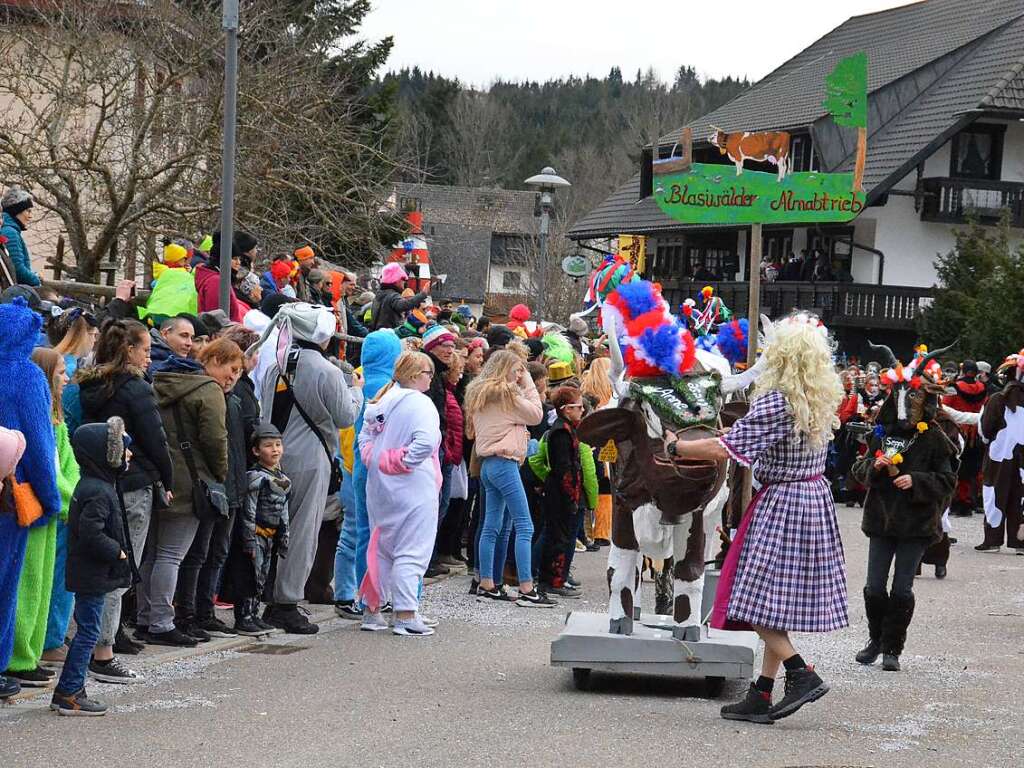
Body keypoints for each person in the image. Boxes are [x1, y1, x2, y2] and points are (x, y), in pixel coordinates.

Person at [669, 315, 846, 724]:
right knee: (775, 602)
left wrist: (678, 445)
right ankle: (762, 693)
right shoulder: (818, 397)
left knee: (748, 599)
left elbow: (725, 448)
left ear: (781, 357)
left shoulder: (777, 401)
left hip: (783, 503)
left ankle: (801, 672)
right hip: (813, 498)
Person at [260, 303, 363, 633]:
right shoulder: (327, 370)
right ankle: (286, 601)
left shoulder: (277, 362)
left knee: (269, 528)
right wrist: (354, 390)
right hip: (310, 456)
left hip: (273, 453)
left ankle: (264, 592)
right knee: (302, 531)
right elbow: (346, 416)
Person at [851, 354, 957, 672]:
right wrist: (875, 466)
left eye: (913, 397)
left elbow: (948, 481)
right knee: (873, 586)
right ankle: (875, 640)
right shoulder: (880, 433)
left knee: (901, 588)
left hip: (916, 524)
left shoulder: (935, 438)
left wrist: (917, 480)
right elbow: (859, 470)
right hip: (881, 520)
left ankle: (892, 649)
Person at [77, 318, 170, 673]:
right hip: (134, 481)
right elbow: (155, 437)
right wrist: (166, 475)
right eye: (146, 350)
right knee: (120, 566)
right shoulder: (136, 389)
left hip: (98, 477)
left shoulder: (91, 385)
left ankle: (96, 639)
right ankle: (104, 651)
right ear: (129, 350)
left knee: (98, 564)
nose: (150, 357)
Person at [139, 340, 229, 647]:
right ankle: (162, 623)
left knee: (152, 553)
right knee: (171, 555)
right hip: (191, 482)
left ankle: (145, 618)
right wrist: (219, 475)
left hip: (158, 478)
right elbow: (216, 440)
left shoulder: (155, 383)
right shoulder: (207, 390)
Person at [50, 418, 134, 716]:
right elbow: (91, 532)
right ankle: (70, 693)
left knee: (88, 630)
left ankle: (68, 689)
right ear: (105, 454)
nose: (128, 455)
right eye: (123, 449)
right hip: (91, 574)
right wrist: (118, 552)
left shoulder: (96, 485)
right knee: (88, 633)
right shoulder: (98, 490)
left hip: (89, 573)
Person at [358, 351, 443, 636]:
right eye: (428, 373)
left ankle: (372, 611)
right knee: (412, 548)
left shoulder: (382, 400)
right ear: (416, 375)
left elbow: (365, 437)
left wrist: (377, 459)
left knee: (381, 548)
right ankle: (406, 612)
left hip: (380, 485)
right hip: (413, 485)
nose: (431, 378)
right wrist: (402, 461)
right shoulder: (421, 404)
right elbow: (426, 442)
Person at [0, 298, 61, 696]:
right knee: (5, 581)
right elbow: (40, 443)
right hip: (10, 492)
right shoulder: (24, 375)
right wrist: (50, 498)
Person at [464, 350, 552, 606]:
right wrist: (528, 384)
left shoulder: (480, 394)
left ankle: (487, 583)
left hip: (488, 464)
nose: (519, 375)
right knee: (525, 526)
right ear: (505, 369)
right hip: (505, 463)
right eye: (516, 370)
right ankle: (526, 587)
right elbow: (537, 415)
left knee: (491, 527)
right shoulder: (507, 395)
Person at [6, 350, 71, 688]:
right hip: (35, 507)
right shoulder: (31, 407)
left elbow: (67, 463)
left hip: (55, 509)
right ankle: (17, 656)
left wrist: (71, 496)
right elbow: (42, 463)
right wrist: (61, 498)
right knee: (26, 586)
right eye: (60, 372)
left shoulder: (58, 417)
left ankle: (30, 653)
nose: (67, 377)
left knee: (44, 586)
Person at [173, 339, 246, 640]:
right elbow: (214, 443)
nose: (234, 377)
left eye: (239, 372)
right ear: (214, 360)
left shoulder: (232, 399)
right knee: (198, 553)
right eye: (231, 369)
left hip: (229, 485)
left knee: (216, 552)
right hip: (211, 485)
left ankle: (206, 611)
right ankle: (188, 614)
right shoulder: (205, 393)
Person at [229, 423, 290, 635]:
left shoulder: (283, 478)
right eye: (268, 445)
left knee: (263, 575)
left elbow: (284, 510)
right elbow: (249, 509)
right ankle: (244, 616)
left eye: (278, 445)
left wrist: (284, 536)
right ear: (256, 451)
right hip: (256, 533)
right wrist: (248, 538)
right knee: (250, 575)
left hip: (271, 535)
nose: (275, 450)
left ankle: (254, 613)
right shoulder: (255, 478)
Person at [537, 386, 587, 597]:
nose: (582, 410)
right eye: (579, 407)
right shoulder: (560, 432)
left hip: (565, 491)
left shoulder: (567, 429)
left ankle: (558, 578)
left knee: (562, 536)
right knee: (557, 538)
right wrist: (571, 496)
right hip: (560, 493)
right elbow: (563, 469)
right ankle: (553, 580)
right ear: (567, 409)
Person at [944, 360, 987, 518]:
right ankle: (969, 501)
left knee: (956, 467)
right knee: (973, 469)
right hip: (976, 432)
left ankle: (957, 502)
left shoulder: (954, 387)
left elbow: (945, 407)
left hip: (958, 431)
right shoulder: (982, 388)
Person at [194, 231, 255, 322]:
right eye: (234, 258)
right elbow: (217, 322)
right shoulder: (216, 282)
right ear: (222, 259)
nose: (238, 262)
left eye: (239, 258)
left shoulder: (218, 279)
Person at [369, 263, 430, 330]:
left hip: (378, 333)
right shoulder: (392, 295)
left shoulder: (379, 295)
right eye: (403, 279)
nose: (405, 282)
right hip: (389, 334)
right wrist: (423, 294)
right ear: (396, 280)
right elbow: (403, 305)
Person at [1, 186, 41, 286]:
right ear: (16, 211)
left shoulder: (11, 230)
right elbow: (18, 270)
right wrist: (36, 280)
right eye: (28, 211)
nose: (30, 216)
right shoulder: (10, 232)